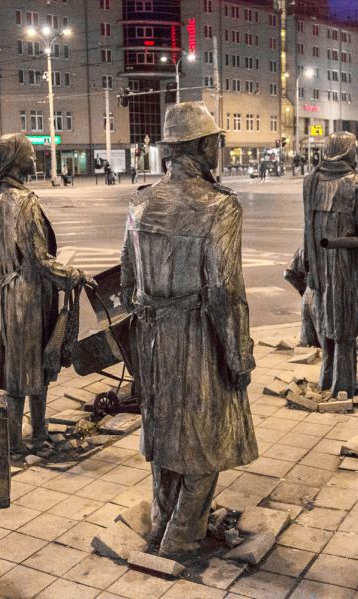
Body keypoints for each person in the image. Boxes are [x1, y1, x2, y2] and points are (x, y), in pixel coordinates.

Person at [120, 102, 258, 556]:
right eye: (215, 142)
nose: (219, 149)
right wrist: (238, 354)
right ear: (200, 147)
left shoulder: (141, 203)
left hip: (153, 337)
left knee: (163, 431)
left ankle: (163, 522)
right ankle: (182, 535)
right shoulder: (218, 207)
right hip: (200, 336)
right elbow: (225, 290)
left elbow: (126, 280)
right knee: (206, 434)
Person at [0, 133, 94, 454]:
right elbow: (38, 258)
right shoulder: (24, 201)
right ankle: (31, 436)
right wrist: (73, 276)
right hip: (31, 296)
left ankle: (22, 438)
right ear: (17, 159)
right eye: (30, 153)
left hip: (10, 295)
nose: (35, 158)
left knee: (18, 370)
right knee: (36, 364)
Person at [302, 132, 358, 397]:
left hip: (318, 265)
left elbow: (307, 229)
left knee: (327, 321)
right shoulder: (357, 183)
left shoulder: (311, 181)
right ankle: (343, 386)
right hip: (345, 265)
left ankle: (326, 379)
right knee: (344, 326)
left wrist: (310, 262)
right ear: (347, 152)